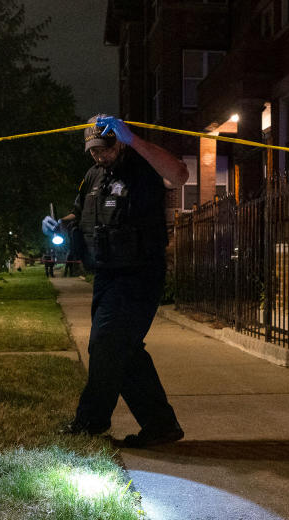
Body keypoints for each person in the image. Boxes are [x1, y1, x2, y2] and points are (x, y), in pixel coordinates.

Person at [42, 115, 189, 448]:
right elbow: (79, 215)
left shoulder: (143, 166)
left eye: (105, 148)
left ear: (119, 141)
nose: (99, 155)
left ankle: (90, 421)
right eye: (92, 150)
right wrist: (57, 225)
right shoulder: (93, 176)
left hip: (140, 273)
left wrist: (134, 139)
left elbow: (179, 175)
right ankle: (161, 425)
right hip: (107, 275)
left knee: (106, 344)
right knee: (124, 350)